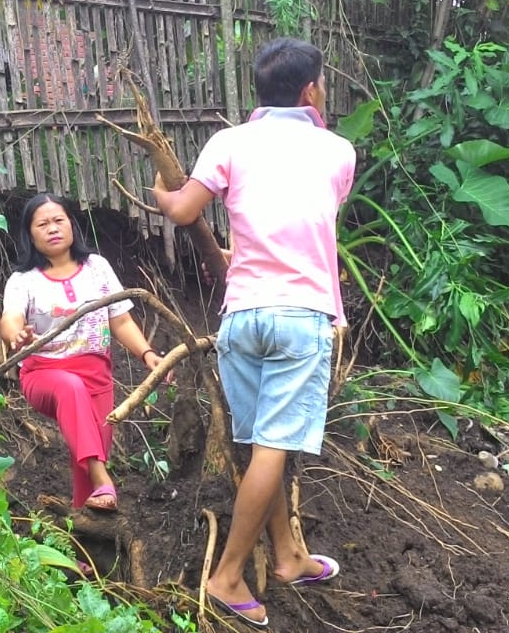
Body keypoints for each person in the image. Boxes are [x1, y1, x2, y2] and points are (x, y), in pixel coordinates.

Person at [152, 38, 356, 629]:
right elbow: (312, 212)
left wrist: (164, 194)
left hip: (242, 318)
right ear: (311, 90)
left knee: (264, 442)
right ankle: (228, 574)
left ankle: (289, 555)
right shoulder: (338, 150)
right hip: (301, 316)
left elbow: (186, 211)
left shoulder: (229, 142)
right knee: (276, 445)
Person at [0, 193, 169, 512]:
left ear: (72, 225)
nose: (52, 228)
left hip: (97, 376)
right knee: (72, 395)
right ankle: (104, 478)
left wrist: (148, 354)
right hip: (44, 373)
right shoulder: (23, 281)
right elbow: (10, 320)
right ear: (30, 234)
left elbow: (120, 320)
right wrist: (17, 335)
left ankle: (84, 551)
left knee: (85, 462)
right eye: (42, 224)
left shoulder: (97, 268)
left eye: (58, 220)